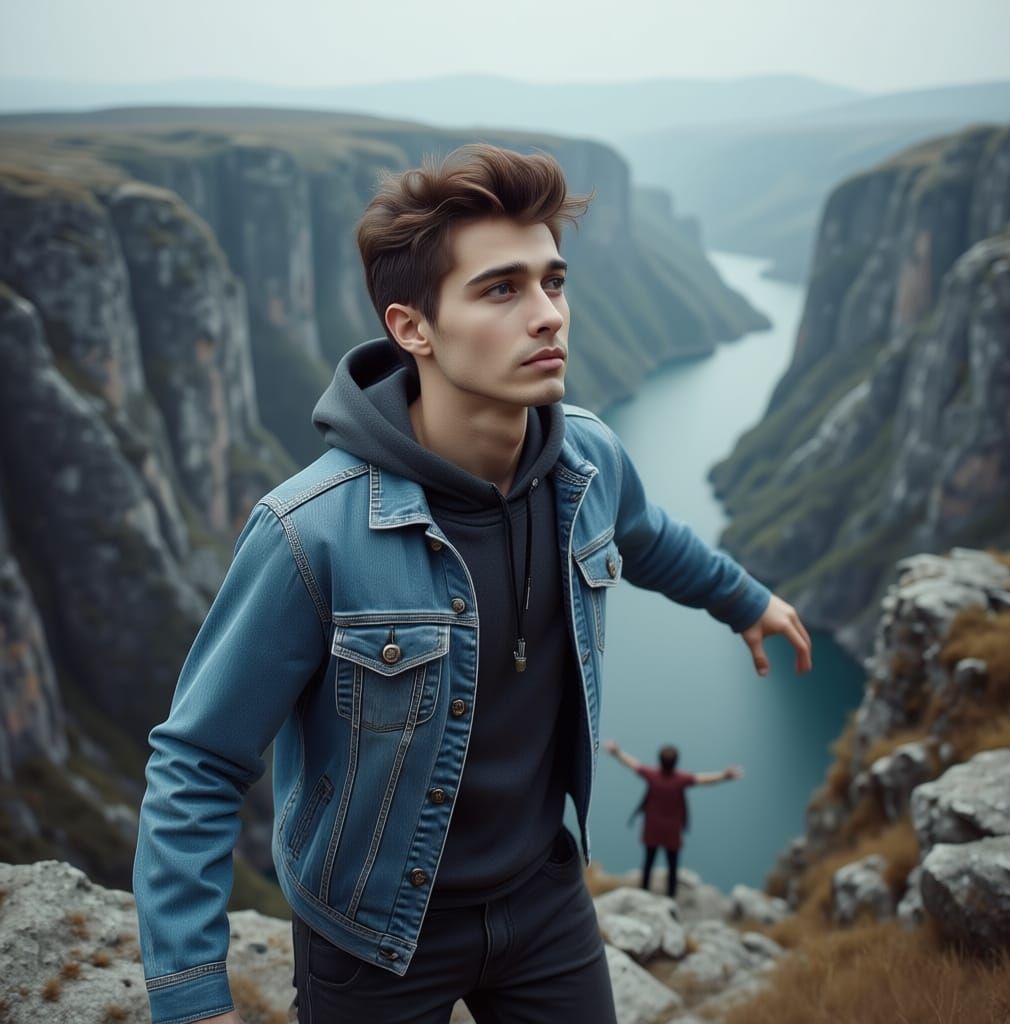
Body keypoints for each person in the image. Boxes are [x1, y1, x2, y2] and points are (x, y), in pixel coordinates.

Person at [132, 143, 812, 1024]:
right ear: (412, 328)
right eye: (502, 289)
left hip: (543, 899)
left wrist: (743, 599)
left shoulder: (590, 459)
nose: (548, 317)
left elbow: (646, 536)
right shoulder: (311, 533)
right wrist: (190, 998)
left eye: (554, 283)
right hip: (372, 933)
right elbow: (198, 761)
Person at [603, 739, 742, 899]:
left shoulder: (652, 776)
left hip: (652, 830)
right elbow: (704, 780)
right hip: (672, 832)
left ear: (659, 761)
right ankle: (671, 896)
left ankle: (643, 893)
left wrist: (616, 752)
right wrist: (725, 776)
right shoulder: (681, 780)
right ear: (676, 762)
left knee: (648, 863)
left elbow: (633, 764)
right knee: (673, 866)